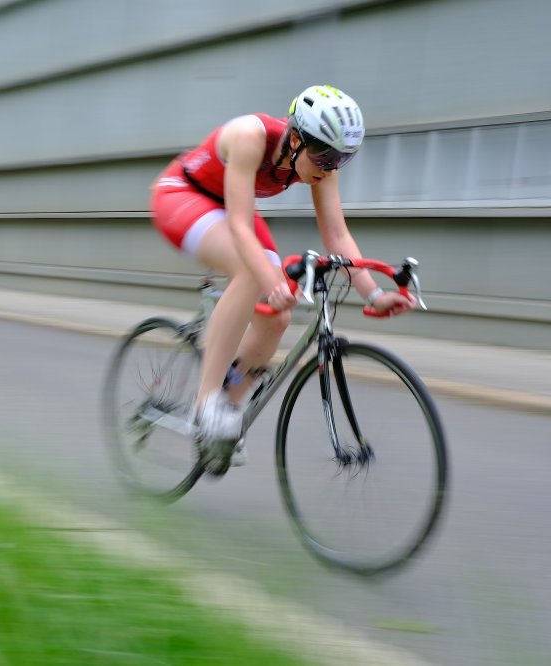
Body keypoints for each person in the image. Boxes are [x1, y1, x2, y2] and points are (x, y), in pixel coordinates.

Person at [150, 84, 417, 467]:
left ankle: (228, 412)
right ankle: (206, 405)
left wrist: (374, 295)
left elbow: (337, 235)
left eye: (342, 159)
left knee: (277, 317)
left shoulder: (320, 166)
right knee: (252, 273)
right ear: (295, 139)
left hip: (228, 208)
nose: (331, 168)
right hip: (182, 195)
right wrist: (270, 280)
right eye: (325, 157)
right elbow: (240, 228)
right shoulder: (249, 136)